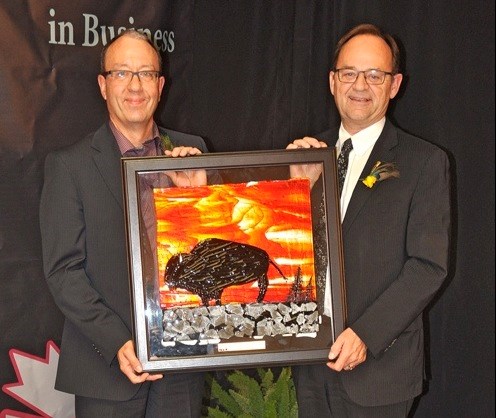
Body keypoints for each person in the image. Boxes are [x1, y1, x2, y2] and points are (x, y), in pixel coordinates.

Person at [40, 29, 207, 417]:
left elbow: (208, 250)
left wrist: (192, 197)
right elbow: (63, 272)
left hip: (179, 366)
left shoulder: (190, 153)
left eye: (146, 73)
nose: (134, 85)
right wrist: (116, 341)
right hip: (106, 371)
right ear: (103, 85)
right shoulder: (69, 166)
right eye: (121, 73)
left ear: (160, 85)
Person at [288, 23, 451, 417]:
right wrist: (292, 193)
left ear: (394, 85)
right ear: (332, 80)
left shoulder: (424, 162)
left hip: (380, 369)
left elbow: (428, 266)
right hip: (311, 364)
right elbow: (287, 251)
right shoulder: (306, 156)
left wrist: (366, 334)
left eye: (374, 75)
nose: (360, 85)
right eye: (349, 73)